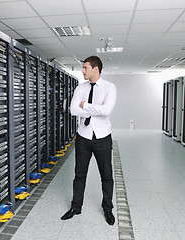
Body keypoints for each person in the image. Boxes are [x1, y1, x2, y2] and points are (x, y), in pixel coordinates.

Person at [61, 56, 117, 225]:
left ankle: (108, 209)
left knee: (106, 176)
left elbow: (106, 110)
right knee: (79, 174)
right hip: (83, 137)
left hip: (103, 138)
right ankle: (75, 207)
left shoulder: (109, 88)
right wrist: (94, 110)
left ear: (95, 69)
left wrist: (84, 106)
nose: (82, 71)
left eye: (85, 68)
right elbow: (72, 110)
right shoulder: (80, 88)